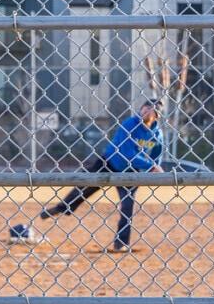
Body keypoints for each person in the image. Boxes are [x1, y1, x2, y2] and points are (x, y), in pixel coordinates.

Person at [39, 99, 165, 253]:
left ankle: (121, 243)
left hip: (131, 172)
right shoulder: (130, 124)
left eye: (151, 109)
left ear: (156, 116)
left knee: (127, 206)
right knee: (85, 187)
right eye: (145, 107)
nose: (146, 110)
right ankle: (61, 208)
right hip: (109, 163)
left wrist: (155, 166)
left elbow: (157, 154)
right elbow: (127, 154)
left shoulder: (156, 133)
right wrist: (150, 166)